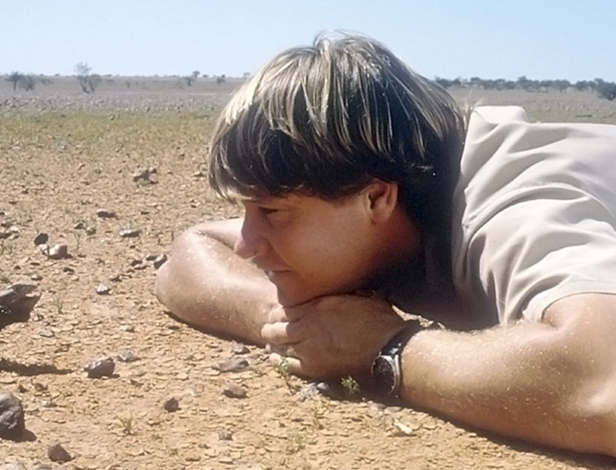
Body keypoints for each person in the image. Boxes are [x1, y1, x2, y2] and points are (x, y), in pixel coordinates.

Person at [154, 32, 616, 457]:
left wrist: (388, 350)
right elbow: (191, 252)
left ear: (376, 197)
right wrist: (300, 327)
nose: (247, 244)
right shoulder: (380, 217)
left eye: (272, 212)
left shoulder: (517, 203)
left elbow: (604, 387)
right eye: (246, 212)